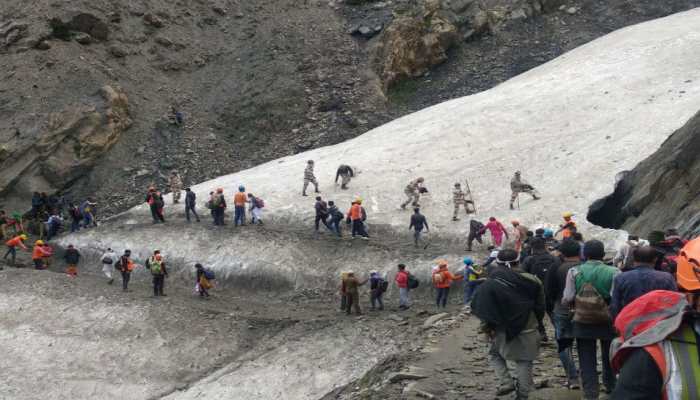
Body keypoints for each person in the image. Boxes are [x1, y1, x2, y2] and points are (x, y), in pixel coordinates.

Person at [610, 237, 700, 399]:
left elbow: (615, 305)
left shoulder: (621, 278)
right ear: (654, 259)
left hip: (636, 332)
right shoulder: (665, 278)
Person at [471, 249, 545, 400]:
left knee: (494, 354)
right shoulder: (533, 280)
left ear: (497, 263)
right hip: (528, 327)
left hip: (501, 328)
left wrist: (487, 326)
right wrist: (537, 322)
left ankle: (506, 382)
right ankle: (523, 395)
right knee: (524, 360)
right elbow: (540, 306)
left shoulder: (491, 281)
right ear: (519, 261)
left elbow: (483, 306)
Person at [562, 240, 620, 399]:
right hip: (607, 319)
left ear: (584, 255)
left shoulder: (574, 271)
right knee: (609, 354)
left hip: (582, 319)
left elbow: (568, 297)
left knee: (586, 357)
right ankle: (610, 386)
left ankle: (590, 392)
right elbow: (616, 298)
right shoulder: (614, 271)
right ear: (603, 255)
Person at [544, 239, 582, 389]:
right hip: (584, 311)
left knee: (564, 344)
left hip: (561, 310)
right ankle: (586, 374)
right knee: (583, 343)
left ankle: (572, 378)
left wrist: (554, 304)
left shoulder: (556, 267)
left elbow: (549, 290)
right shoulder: (583, 267)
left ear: (562, 253)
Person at [609, 246, 678, 320]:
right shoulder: (667, 278)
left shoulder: (620, 278)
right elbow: (675, 304)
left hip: (630, 324)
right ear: (655, 259)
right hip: (659, 325)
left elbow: (615, 307)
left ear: (634, 259)